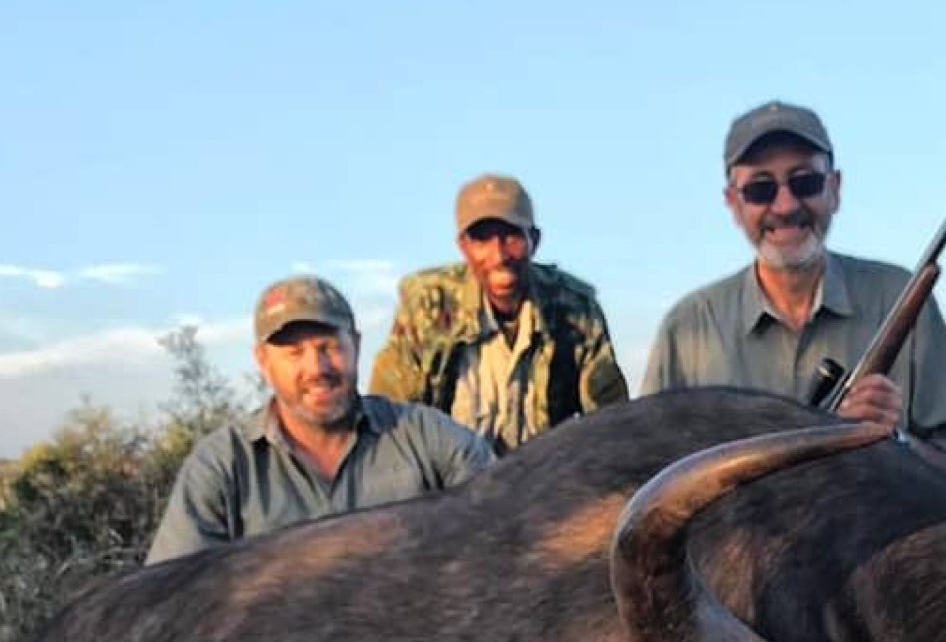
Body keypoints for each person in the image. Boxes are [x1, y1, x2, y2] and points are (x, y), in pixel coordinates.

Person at [642, 101, 946, 479]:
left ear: (834, 188)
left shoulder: (898, 295)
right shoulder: (688, 326)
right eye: (760, 189)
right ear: (733, 204)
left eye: (805, 182)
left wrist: (891, 441)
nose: (785, 205)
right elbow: (646, 477)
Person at [147, 276, 492, 565]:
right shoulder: (222, 466)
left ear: (356, 345)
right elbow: (167, 600)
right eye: (294, 353)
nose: (317, 369)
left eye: (329, 346)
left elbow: (505, 521)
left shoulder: (427, 436)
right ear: (263, 362)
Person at [370, 174, 628, 451]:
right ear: (463, 246)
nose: (499, 255)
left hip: (545, 482)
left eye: (511, 236)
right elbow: (387, 422)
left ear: (534, 240)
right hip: (451, 485)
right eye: (482, 238)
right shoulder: (426, 307)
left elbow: (612, 422)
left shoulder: (576, 311)